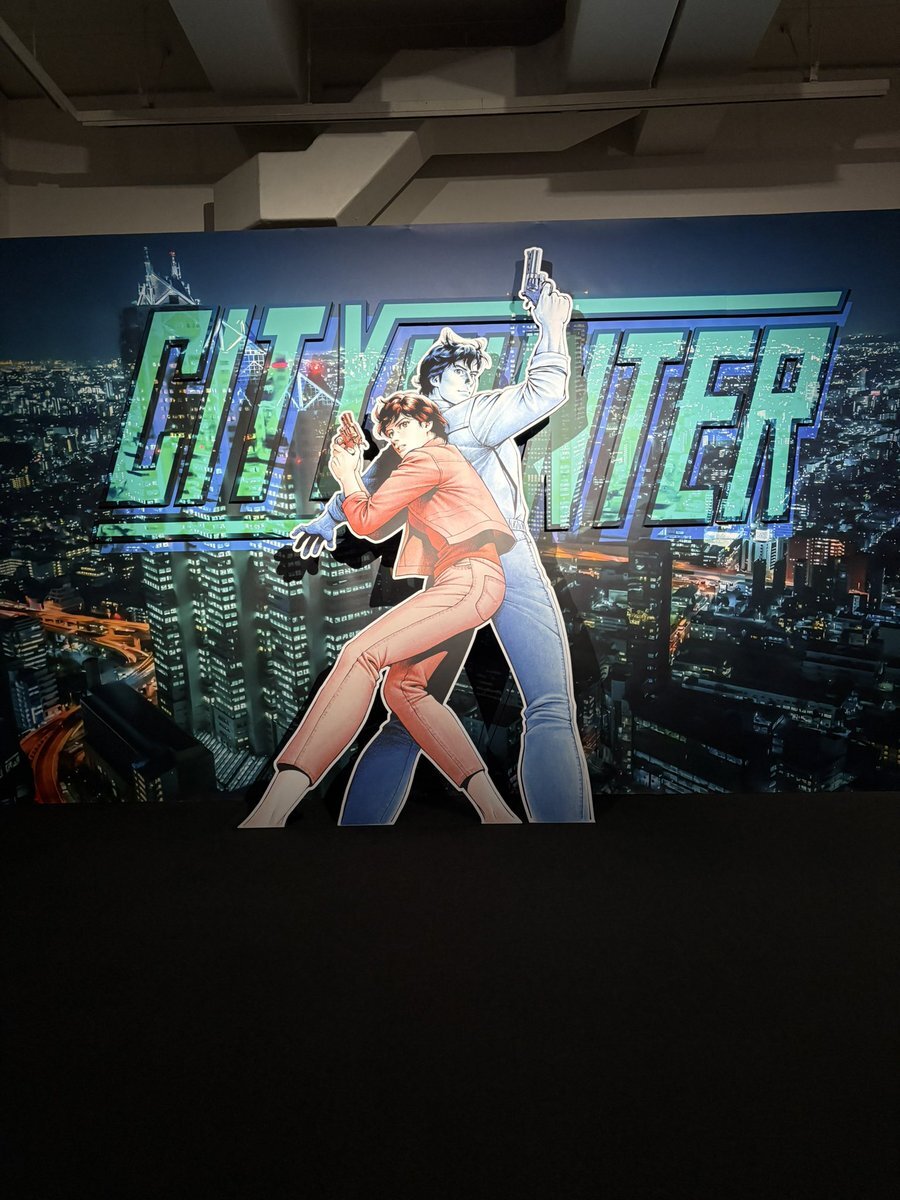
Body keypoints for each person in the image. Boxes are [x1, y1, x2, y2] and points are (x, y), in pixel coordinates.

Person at [293, 270, 593, 825]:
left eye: (476, 369)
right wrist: (552, 325)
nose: (474, 376)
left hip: (452, 571)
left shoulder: (412, 441)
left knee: (407, 716)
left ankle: (356, 841)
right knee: (549, 708)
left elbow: (367, 486)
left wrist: (326, 521)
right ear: (436, 377)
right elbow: (547, 390)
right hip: (502, 560)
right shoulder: (475, 417)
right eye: (464, 369)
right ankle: (566, 844)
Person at [240, 394, 520, 828]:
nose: (395, 438)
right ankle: (496, 812)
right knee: (404, 689)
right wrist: (339, 500)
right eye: (389, 432)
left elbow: (368, 519)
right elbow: (375, 511)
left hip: (468, 579)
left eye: (403, 426)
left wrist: (348, 474)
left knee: (360, 655)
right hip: (466, 581)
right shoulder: (430, 462)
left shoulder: (429, 458)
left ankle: (272, 812)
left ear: (429, 426)